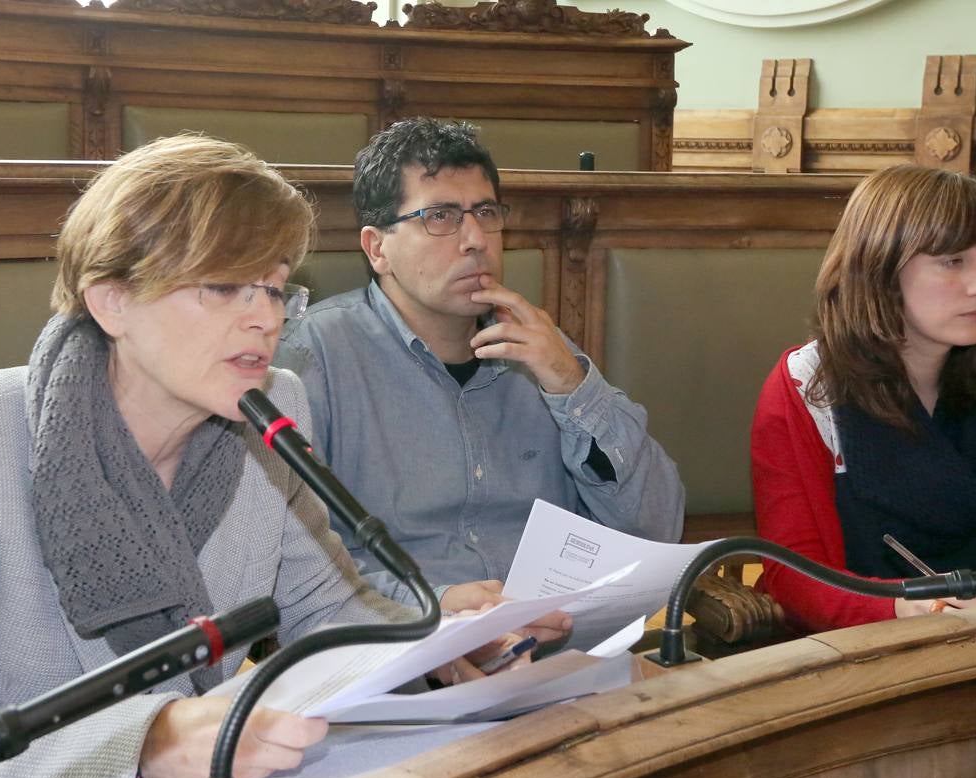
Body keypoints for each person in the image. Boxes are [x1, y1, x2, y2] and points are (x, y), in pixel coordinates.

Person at [0, 134, 500, 778]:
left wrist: (451, 638)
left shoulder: (274, 406)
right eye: (224, 288)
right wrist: (141, 744)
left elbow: (331, 614)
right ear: (111, 299)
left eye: (276, 287)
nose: (264, 319)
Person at [275, 119, 685, 625]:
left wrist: (574, 385)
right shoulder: (311, 360)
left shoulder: (543, 351)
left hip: (553, 649)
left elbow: (659, 528)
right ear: (377, 248)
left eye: (486, 213)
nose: (475, 239)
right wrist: (434, 605)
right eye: (441, 216)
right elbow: (291, 564)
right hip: (400, 660)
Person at [750, 164, 976, 635]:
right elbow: (796, 577)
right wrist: (902, 609)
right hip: (848, 647)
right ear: (880, 268)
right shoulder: (803, 388)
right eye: (952, 261)